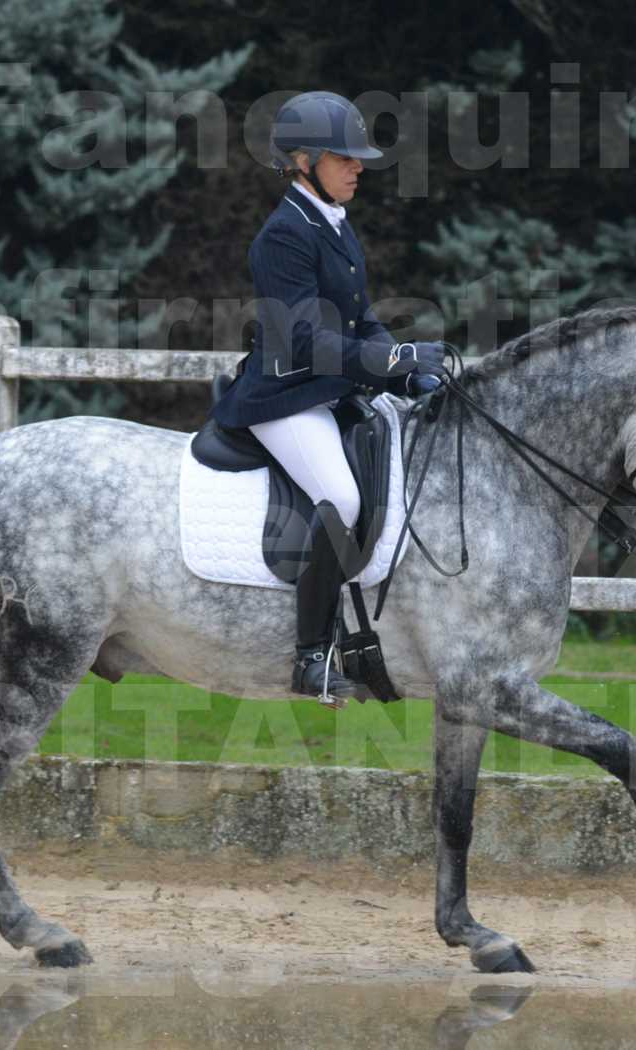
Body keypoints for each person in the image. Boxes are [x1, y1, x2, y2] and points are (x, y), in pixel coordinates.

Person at [209, 90, 445, 701]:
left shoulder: (335, 224)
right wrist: (392, 360)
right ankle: (312, 655)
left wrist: (407, 371)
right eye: (345, 157)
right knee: (339, 496)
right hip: (283, 397)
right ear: (305, 160)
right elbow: (308, 340)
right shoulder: (283, 235)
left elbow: (362, 321)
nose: (358, 166)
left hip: (328, 391)